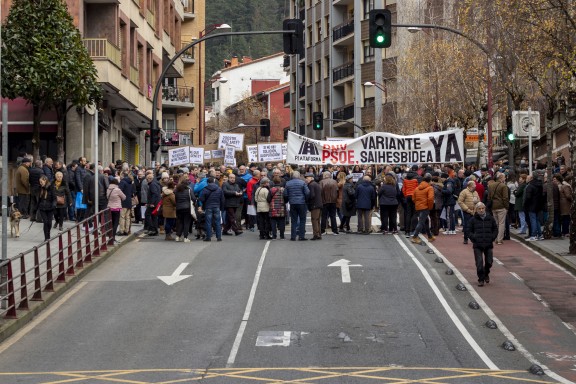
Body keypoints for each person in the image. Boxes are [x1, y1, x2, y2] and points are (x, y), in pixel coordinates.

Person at [468, 202, 498, 286]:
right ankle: (481, 279)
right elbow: (468, 231)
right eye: (479, 209)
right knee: (479, 263)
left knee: (489, 262)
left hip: (488, 243)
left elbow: (495, 229)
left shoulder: (490, 218)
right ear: (476, 210)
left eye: (482, 208)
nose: (481, 210)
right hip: (477, 244)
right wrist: (474, 237)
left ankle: (486, 273)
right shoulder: (473, 220)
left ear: (485, 208)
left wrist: (492, 237)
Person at [283, 171, 310, 241]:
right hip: (301, 203)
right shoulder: (302, 183)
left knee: (294, 220)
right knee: (302, 220)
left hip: (292, 203)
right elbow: (307, 193)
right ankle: (301, 236)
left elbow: (285, 194)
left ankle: (293, 236)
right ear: (299, 176)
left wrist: (288, 200)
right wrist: (305, 200)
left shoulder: (288, 183)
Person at [410, 174, 435, 244]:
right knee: (421, 222)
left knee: (425, 221)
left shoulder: (417, 188)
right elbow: (430, 198)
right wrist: (430, 207)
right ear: (430, 181)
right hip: (425, 207)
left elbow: (413, 198)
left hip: (418, 206)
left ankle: (430, 236)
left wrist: (417, 204)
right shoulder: (430, 188)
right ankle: (415, 237)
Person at [199, 177, 225, 242]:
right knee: (218, 222)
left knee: (208, 222)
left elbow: (201, 199)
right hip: (217, 207)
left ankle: (208, 237)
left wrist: (203, 204)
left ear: (207, 182)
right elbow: (222, 199)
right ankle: (219, 237)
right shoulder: (219, 189)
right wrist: (222, 208)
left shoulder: (205, 189)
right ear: (214, 181)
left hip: (208, 207)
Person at [487, 172, 509, 244]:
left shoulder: (491, 185)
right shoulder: (503, 186)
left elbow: (489, 197)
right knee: (501, 223)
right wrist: (506, 207)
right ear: (501, 178)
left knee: (496, 223)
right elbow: (505, 198)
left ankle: (495, 238)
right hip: (501, 206)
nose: (505, 178)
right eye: (504, 177)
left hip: (493, 206)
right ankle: (499, 239)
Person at [174, 177, 195, 242]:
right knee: (186, 223)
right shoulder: (189, 190)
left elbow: (175, 199)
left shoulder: (176, 190)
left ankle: (178, 236)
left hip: (178, 208)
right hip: (187, 208)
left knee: (179, 222)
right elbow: (193, 198)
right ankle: (185, 237)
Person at [106, 178, 126, 244]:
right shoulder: (117, 190)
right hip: (116, 208)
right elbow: (124, 197)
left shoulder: (108, 189)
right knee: (116, 223)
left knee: (111, 223)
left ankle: (110, 237)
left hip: (109, 208)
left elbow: (107, 197)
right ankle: (113, 237)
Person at [319, 171, 339, 235]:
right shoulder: (334, 182)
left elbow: (320, 192)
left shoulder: (321, 182)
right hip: (333, 201)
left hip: (324, 201)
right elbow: (337, 191)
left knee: (324, 216)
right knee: (333, 216)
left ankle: (322, 230)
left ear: (324, 176)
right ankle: (335, 230)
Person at [37, 175, 56, 241]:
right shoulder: (40, 188)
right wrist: (36, 208)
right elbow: (38, 199)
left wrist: (53, 205)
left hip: (50, 207)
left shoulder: (51, 187)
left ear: (45, 180)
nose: (40, 183)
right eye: (40, 182)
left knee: (49, 223)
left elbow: (54, 198)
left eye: (41, 182)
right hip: (42, 207)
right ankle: (46, 237)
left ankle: (48, 233)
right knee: (45, 222)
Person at [305, 172, 323, 240]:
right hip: (319, 204)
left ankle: (316, 234)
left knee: (314, 220)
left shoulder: (311, 185)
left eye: (307, 178)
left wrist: (308, 199)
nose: (306, 179)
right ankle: (319, 234)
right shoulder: (316, 184)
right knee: (317, 220)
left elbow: (312, 195)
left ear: (311, 178)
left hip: (314, 204)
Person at [118, 171, 134, 236]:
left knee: (122, 216)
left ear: (122, 175)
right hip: (129, 201)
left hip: (123, 201)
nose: (119, 176)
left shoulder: (122, 182)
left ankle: (121, 231)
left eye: (120, 175)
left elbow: (119, 191)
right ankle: (127, 230)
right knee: (127, 217)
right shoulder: (130, 182)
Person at [145, 172, 162, 236]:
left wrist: (151, 203)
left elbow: (154, 194)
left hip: (153, 203)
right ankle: (155, 230)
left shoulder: (152, 184)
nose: (146, 181)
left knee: (147, 215)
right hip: (156, 202)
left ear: (150, 179)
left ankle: (152, 229)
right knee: (154, 216)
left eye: (147, 179)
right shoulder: (156, 183)